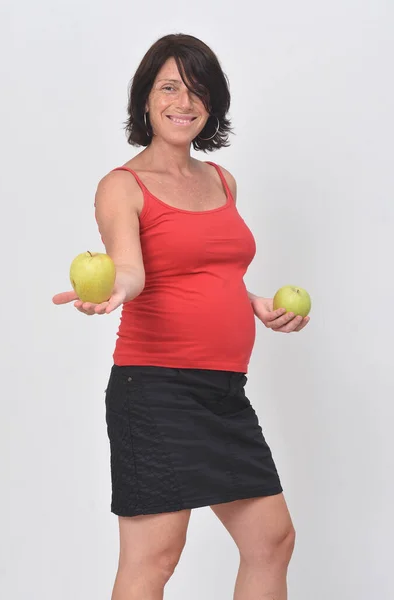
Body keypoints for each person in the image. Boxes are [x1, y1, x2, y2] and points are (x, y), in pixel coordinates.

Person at [53, 33, 310, 600]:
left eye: (197, 90)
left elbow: (210, 270)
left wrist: (255, 303)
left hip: (223, 391)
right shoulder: (123, 186)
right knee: (156, 558)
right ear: (145, 98)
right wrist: (113, 290)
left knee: (272, 541)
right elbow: (132, 269)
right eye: (169, 86)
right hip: (155, 389)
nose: (183, 101)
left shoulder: (221, 181)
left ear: (211, 105)